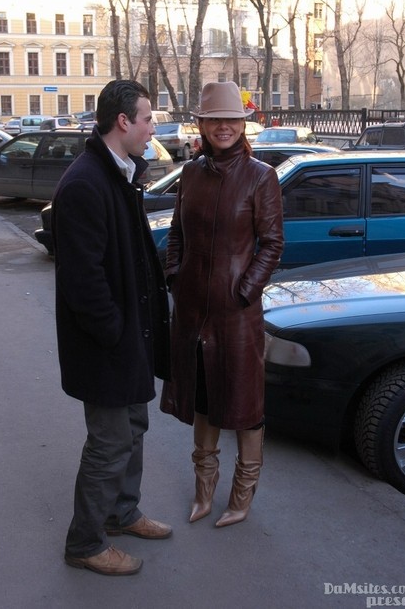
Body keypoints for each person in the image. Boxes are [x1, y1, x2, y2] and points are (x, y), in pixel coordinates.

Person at [51, 79, 172, 576]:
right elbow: (84, 283)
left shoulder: (120, 172)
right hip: (107, 345)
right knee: (109, 441)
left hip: (129, 339)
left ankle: (122, 512)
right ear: (123, 122)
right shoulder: (85, 183)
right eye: (147, 119)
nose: (152, 128)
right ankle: (85, 542)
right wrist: (116, 333)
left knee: (135, 427)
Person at [160, 81, 284, 528]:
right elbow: (176, 234)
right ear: (203, 125)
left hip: (237, 315)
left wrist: (244, 291)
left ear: (242, 124)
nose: (224, 127)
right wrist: (175, 276)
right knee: (203, 400)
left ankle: (242, 496)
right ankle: (203, 492)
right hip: (193, 311)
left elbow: (272, 244)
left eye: (231, 120)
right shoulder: (191, 174)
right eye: (215, 120)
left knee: (245, 408)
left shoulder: (260, 176)